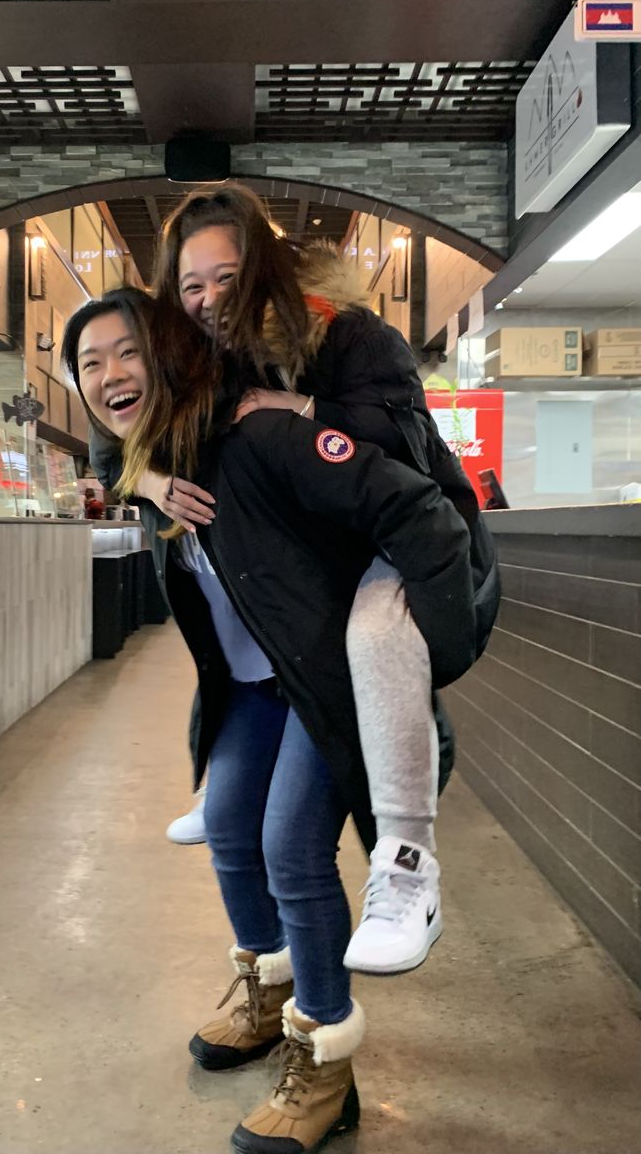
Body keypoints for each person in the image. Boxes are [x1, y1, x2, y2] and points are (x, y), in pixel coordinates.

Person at [64, 287, 476, 1153]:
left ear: (170, 352)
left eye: (125, 353)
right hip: (255, 685)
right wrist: (142, 480)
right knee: (228, 833)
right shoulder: (153, 461)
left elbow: (409, 503)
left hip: (318, 679)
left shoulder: (257, 432)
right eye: (89, 362)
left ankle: (324, 1058)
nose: (108, 375)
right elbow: (106, 462)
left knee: (291, 846)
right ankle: (266, 995)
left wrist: (434, 639)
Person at [93, 185, 499, 976]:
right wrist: (146, 484)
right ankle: (236, 811)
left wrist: (302, 407)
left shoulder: (345, 334)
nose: (209, 297)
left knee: (375, 641)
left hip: (402, 541)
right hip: (312, 579)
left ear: (266, 268)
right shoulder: (209, 363)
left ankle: (407, 865)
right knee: (253, 665)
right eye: (191, 284)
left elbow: (406, 446)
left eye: (227, 275)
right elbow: (117, 435)